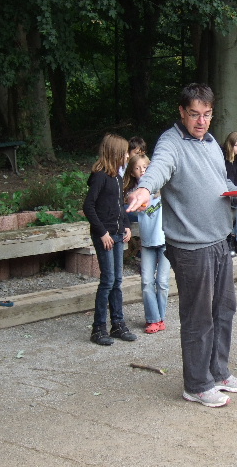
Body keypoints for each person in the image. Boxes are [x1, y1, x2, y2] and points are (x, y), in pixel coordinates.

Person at [126, 83, 237, 408]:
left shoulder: (210, 143)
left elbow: (221, 182)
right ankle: (196, 384)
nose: (201, 121)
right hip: (190, 247)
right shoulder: (171, 143)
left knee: (224, 309)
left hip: (219, 240)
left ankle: (218, 372)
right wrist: (144, 189)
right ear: (182, 112)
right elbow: (158, 169)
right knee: (198, 317)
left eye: (207, 114)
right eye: (194, 114)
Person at [83, 133, 137, 346]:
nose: (127, 156)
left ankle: (118, 324)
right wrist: (102, 233)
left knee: (117, 281)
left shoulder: (117, 177)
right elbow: (88, 206)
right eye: (124, 153)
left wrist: (126, 226)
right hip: (104, 236)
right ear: (115, 153)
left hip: (117, 234)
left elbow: (119, 206)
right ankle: (98, 329)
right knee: (107, 280)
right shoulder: (100, 177)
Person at [124, 153, 171, 335]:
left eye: (145, 167)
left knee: (162, 281)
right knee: (146, 282)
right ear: (132, 172)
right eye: (137, 168)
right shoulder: (133, 193)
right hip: (147, 242)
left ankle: (161, 318)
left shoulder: (161, 187)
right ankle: (153, 319)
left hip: (165, 240)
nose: (142, 171)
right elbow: (128, 204)